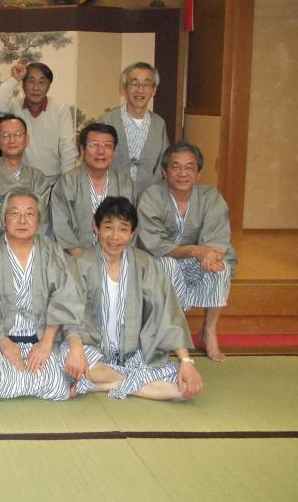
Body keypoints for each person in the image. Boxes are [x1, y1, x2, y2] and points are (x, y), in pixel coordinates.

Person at [72, 196, 203, 401]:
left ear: (132, 233)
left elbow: (165, 311)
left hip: (134, 354)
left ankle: (105, 384)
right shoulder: (80, 264)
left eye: (123, 229)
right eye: (108, 227)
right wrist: (76, 349)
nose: (115, 236)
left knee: (184, 389)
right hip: (92, 350)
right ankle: (125, 383)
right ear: (96, 228)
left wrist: (186, 361)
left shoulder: (145, 264)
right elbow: (69, 313)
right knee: (72, 363)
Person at [0, 189, 89, 405]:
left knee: (58, 382)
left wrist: (46, 343)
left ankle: (27, 381)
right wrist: (4, 342)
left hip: (41, 342)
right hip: (0, 341)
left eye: (30, 214)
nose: (22, 220)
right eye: (14, 213)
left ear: (39, 221)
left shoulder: (52, 251)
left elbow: (64, 297)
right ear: (3, 220)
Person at [136, 142, 236, 362]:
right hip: (161, 259)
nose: (183, 173)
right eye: (176, 167)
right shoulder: (151, 196)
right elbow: (155, 244)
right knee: (168, 265)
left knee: (221, 267)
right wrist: (196, 251)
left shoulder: (211, 197)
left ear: (198, 173)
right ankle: (174, 330)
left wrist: (210, 256)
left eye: (189, 167)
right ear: (165, 172)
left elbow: (217, 237)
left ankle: (208, 331)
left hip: (195, 259)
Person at [50, 123, 136, 256]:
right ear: (82, 150)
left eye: (107, 145)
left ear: (114, 151)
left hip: (117, 256)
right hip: (75, 258)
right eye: (93, 144)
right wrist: (82, 257)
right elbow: (60, 225)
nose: (101, 151)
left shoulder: (126, 184)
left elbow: (133, 226)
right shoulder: (66, 183)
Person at [0, 60, 77, 188]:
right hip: (19, 181)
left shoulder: (60, 109)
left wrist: (66, 184)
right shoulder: (15, 106)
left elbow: (68, 149)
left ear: (48, 86)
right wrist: (15, 79)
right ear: (23, 85)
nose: (36, 88)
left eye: (41, 82)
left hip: (52, 182)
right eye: (31, 81)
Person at [0, 115, 51, 242]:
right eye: (6, 136)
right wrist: (26, 216)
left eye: (17, 134)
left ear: (27, 140)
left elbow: (42, 216)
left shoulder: (38, 177)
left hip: (32, 244)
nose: (12, 140)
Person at [98, 62, 171, 192]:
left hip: (148, 197)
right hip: (111, 196)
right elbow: (95, 162)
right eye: (134, 83)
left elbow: (164, 165)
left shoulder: (159, 124)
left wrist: (154, 195)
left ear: (154, 90)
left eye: (146, 84)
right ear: (124, 88)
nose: (140, 90)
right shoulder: (107, 121)